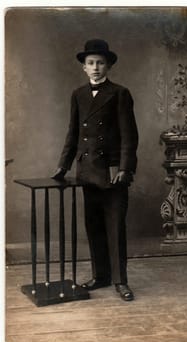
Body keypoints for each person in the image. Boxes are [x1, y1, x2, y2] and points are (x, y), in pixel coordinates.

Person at [52, 39, 138, 301]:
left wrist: (125, 168)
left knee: (115, 228)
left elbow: (129, 136)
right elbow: (73, 133)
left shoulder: (120, 93)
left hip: (113, 173)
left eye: (100, 62)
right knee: (94, 227)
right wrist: (63, 165)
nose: (96, 67)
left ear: (108, 65)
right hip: (87, 172)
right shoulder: (77, 94)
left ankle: (120, 281)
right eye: (91, 63)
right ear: (84, 68)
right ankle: (100, 276)